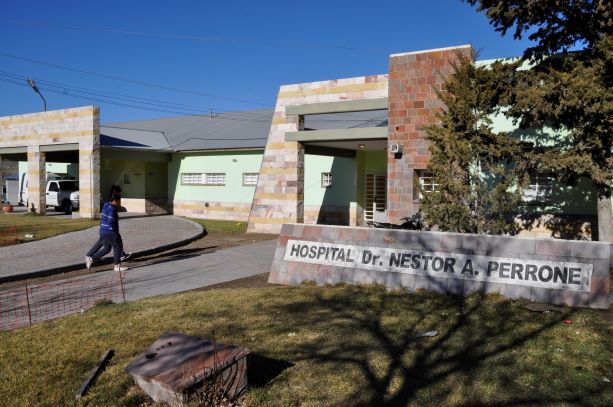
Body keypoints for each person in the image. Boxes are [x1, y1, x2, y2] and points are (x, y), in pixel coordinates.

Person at [85, 193, 128, 272]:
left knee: (107, 248)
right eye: (119, 201)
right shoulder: (112, 208)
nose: (119, 202)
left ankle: (91, 259)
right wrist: (113, 230)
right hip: (109, 231)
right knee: (117, 246)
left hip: (103, 230)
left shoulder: (106, 205)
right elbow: (111, 220)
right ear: (115, 201)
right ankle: (117, 266)